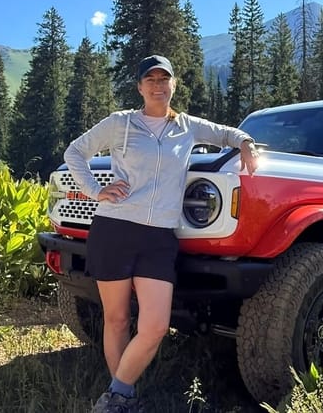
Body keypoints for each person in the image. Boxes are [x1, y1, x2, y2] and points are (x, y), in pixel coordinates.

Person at [63, 55, 259, 413]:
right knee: (118, 318)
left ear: (173, 85)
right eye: (149, 79)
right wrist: (95, 190)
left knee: (155, 325)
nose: (157, 85)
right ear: (139, 87)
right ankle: (124, 397)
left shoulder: (187, 125)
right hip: (115, 229)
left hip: (159, 238)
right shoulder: (120, 123)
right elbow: (75, 152)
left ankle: (115, 392)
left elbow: (227, 133)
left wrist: (245, 142)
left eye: (163, 79)